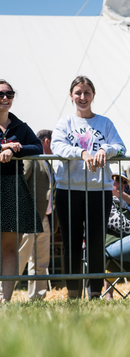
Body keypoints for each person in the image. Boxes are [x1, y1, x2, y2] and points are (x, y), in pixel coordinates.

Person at [52, 76, 126, 299]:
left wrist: (105, 150)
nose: (82, 97)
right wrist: (81, 153)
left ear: (93, 95)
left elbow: (120, 147)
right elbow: (57, 145)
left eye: (87, 93)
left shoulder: (105, 123)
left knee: (96, 243)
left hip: (98, 191)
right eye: (78, 93)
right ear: (71, 95)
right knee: (71, 243)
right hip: (68, 189)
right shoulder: (64, 122)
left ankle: (95, 293)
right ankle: (73, 294)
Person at [0, 80, 43, 302]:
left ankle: (5, 301)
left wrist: (17, 148)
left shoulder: (20, 126)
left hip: (11, 185)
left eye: (9, 94)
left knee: (9, 247)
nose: (5, 98)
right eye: (0, 94)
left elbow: (38, 147)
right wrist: (2, 148)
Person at [18, 129, 53, 300]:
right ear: (46, 141)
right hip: (29, 215)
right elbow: (21, 182)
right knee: (20, 256)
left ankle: (37, 297)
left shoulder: (49, 162)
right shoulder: (33, 158)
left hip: (43, 217)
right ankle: (4, 293)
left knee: (41, 259)